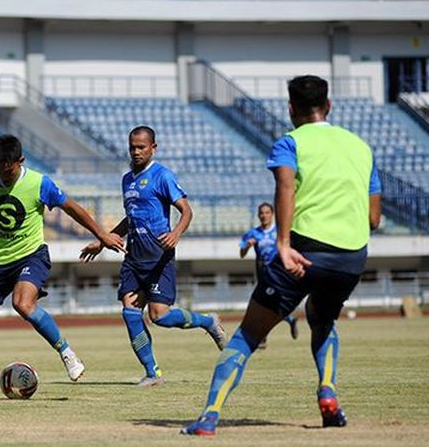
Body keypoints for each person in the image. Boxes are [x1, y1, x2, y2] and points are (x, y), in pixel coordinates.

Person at [182, 75, 382, 436]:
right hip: (351, 258)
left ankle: (209, 417)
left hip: (302, 254)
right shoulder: (361, 148)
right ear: (329, 106)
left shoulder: (290, 142)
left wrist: (285, 243)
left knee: (246, 336)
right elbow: (374, 218)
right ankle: (328, 395)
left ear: (290, 109)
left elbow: (285, 186)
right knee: (322, 320)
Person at [0, 134, 126, 399]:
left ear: (20, 161)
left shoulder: (39, 183)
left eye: (9, 169)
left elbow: (72, 207)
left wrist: (101, 235)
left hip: (32, 255)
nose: (4, 175)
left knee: (23, 303)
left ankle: (67, 353)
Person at [80, 126, 227, 388]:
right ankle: (152, 373)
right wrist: (103, 240)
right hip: (134, 257)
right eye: (132, 147)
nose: (136, 152)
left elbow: (186, 211)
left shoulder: (162, 176)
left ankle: (208, 321)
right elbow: (131, 217)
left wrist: (176, 234)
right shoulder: (127, 179)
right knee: (130, 312)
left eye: (141, 147)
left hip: (159, 257)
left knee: (159, 316)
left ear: (153, 148)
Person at [240, 202, 298, 348]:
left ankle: (262, 338)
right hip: (262, 270)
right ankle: (289, 320)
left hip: (276, 270)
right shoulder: (253, 233)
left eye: (267, 212)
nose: (264, 215)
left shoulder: (279, 232)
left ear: (272, 214)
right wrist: (247, 246)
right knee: (268, 303)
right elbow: (241, 254)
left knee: (263, 303)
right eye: (261, 213)